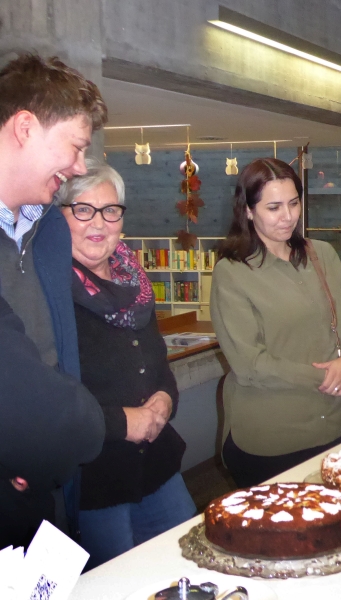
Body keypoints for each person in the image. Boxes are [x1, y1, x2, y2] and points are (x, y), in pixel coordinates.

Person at [57, 160, 195, 569]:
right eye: (83, 209)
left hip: (158, 468)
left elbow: (157, 366)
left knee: (185, 571)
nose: (98, 222)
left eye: (111, 210)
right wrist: (122, 423)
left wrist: (166, 400)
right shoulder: (49, 295)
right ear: (58, 216)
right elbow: (49, 400)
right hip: (95, 479)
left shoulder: (134, 284)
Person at [0, 54, 106, 547]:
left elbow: (62, 359)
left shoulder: (48, 235)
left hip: (52, 490)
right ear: (25, 127)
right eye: (75, 146)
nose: (80, 167)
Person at [211, 158, 341, 488]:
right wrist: (329, 376)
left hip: (338, 423)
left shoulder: (321, 255)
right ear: (249, 211)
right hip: (273, 439)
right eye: (274, 207)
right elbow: (250, 364)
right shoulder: (233, 272)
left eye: (294, 203)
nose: (288, 216)